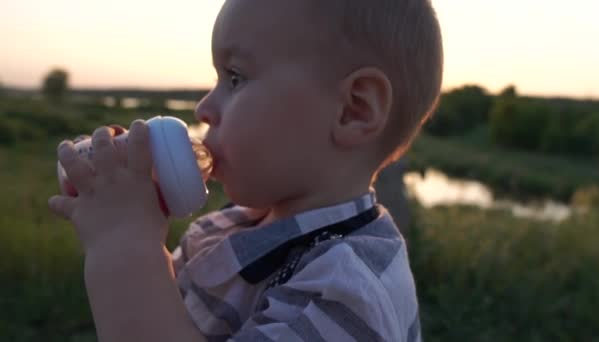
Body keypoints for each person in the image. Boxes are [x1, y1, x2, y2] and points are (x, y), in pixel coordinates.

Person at [48, 0, 443, 340]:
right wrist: (135, 210)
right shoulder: (229, 226)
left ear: (352, 109)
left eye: (235, 78)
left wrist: (124, 243)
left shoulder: (346, 295)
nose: (203, 107)